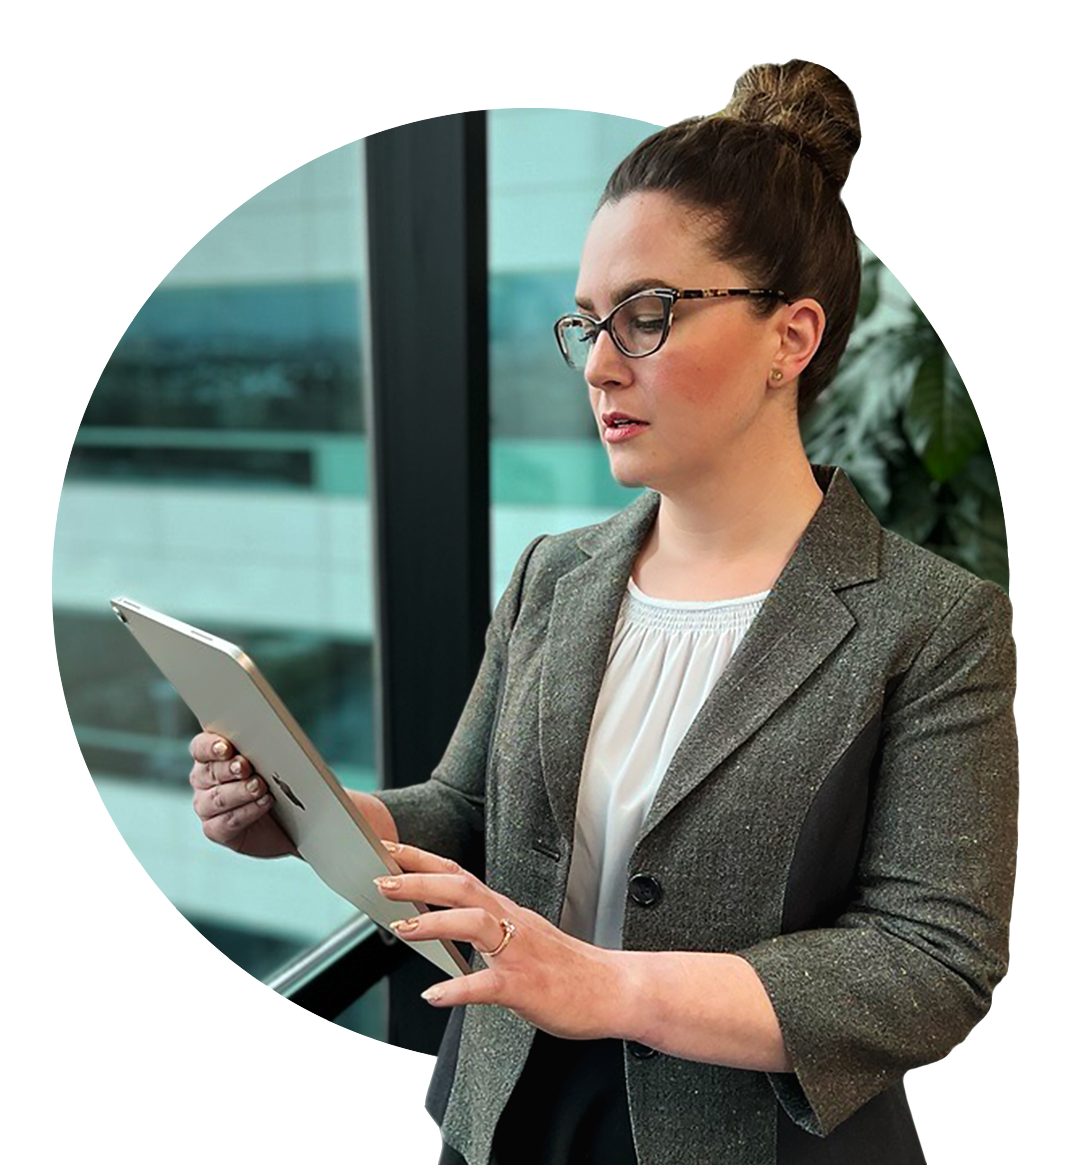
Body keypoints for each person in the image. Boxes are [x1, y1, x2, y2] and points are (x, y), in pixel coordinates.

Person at [188, 61, 1019, 1165]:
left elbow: (933, 961)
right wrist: (312, 812)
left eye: (649, 314)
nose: (601, 367)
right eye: (588, 325)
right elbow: (468, 810)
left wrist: (608, 986)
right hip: (509, 1116)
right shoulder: (553, 575)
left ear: (794, 336)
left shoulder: (934, 620)